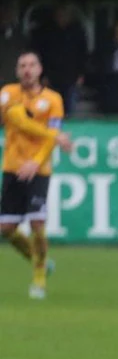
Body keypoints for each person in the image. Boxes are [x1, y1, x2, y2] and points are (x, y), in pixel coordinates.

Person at [0, 51, 70, 300]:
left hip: (39, 170)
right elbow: (14, 121)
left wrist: (36, 162)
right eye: (22, 66)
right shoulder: (7, 94)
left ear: (40, 69)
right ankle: (41, 260)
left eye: (31, 65)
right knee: (6, 228)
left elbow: (50, 137)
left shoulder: (53, 99)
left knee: (37, 224)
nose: (27, 69)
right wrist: (55, 136)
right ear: (17, 71)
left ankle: (39, 277)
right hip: (11, 167)